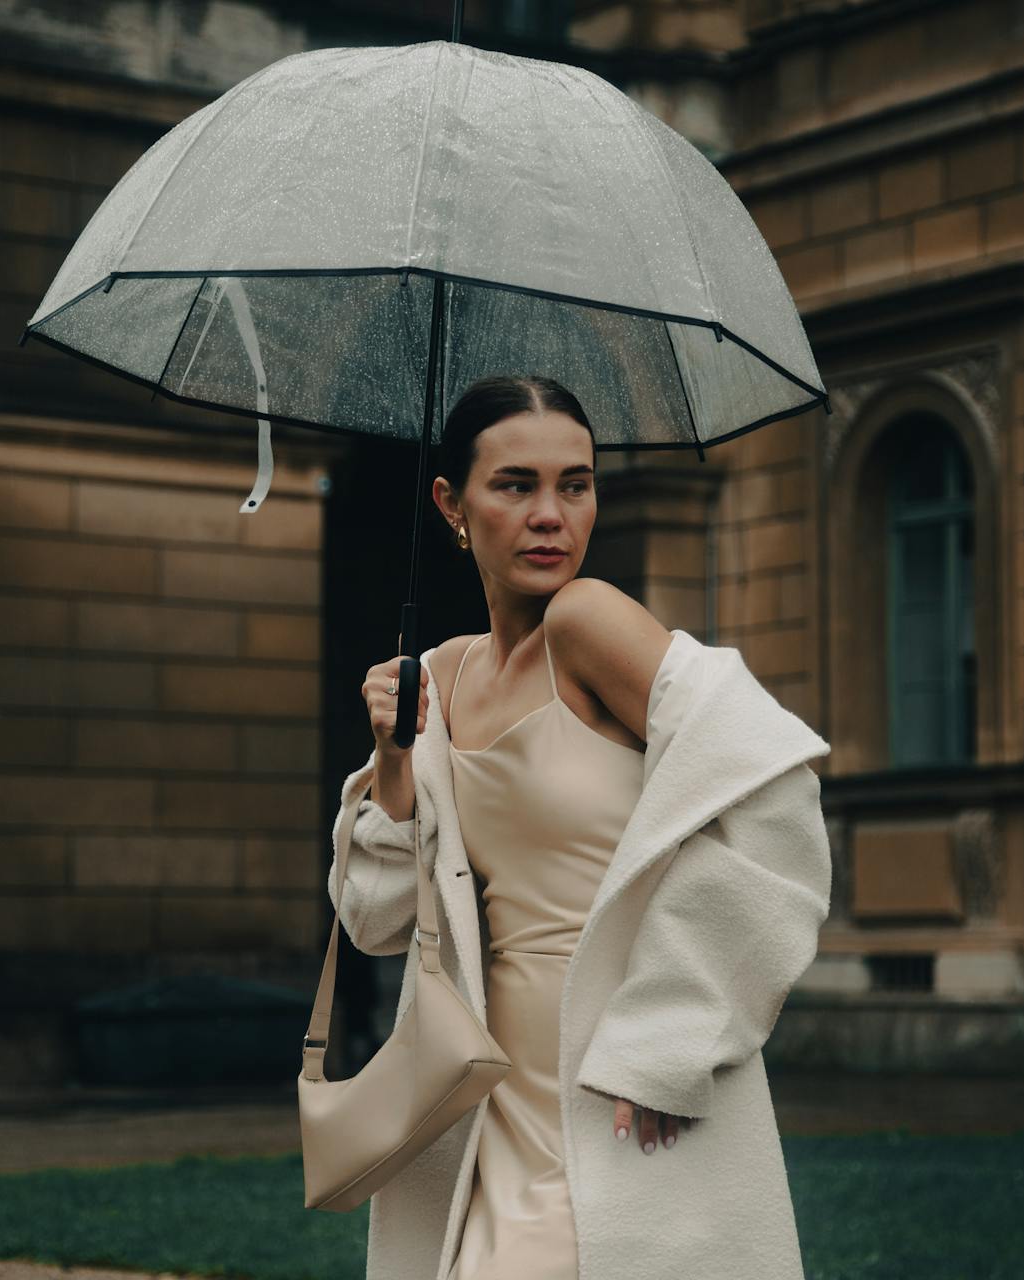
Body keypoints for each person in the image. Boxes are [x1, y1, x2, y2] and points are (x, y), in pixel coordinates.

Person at [332, 373, 832, 1280]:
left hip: (616, 1080)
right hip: (489, 1096)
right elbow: (378, 921)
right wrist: (396, 757)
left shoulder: (591, 621)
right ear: (451, 503)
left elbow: (773, 799)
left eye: (576, 483)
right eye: (516, 485)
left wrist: (669, 1034)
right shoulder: (438, 678)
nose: (552, 514)